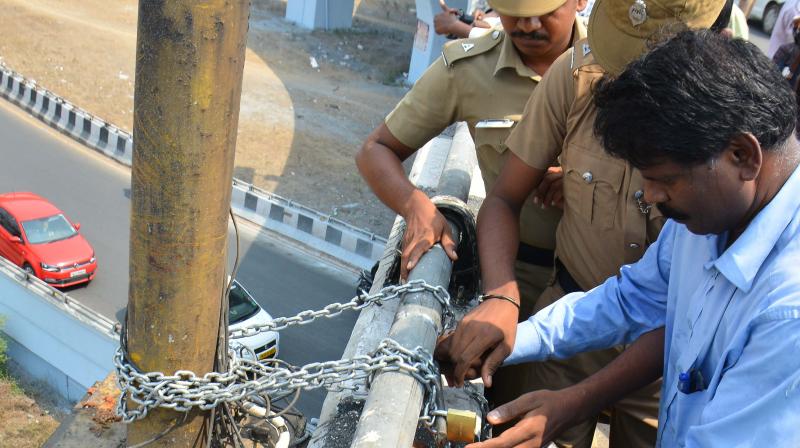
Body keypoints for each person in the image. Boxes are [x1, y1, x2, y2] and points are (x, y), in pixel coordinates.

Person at [466, 29, 800, 448]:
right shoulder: (707, 220)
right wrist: (513, 338)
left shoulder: (787, 316)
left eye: (666, 181)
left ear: (743, 156)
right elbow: (630, 299)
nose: (653, 198)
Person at [436, 0, 730, 446]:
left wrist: (580, 398)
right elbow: (630, 299)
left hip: (674, 361)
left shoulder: (728, 116)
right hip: (573, 327)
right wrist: (503, 302)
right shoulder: (576, 74)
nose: (653, 195)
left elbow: (666, 310)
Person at [357, 0, 586, 414]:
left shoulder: (617, 68)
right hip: (520, 280)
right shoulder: (468, 70)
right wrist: (415, 205)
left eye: (545, 10)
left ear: (580, 2)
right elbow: (375, 150)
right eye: (515, 11)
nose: (529, 24)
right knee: (513, 416)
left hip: (605, 282)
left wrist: (584, 180)